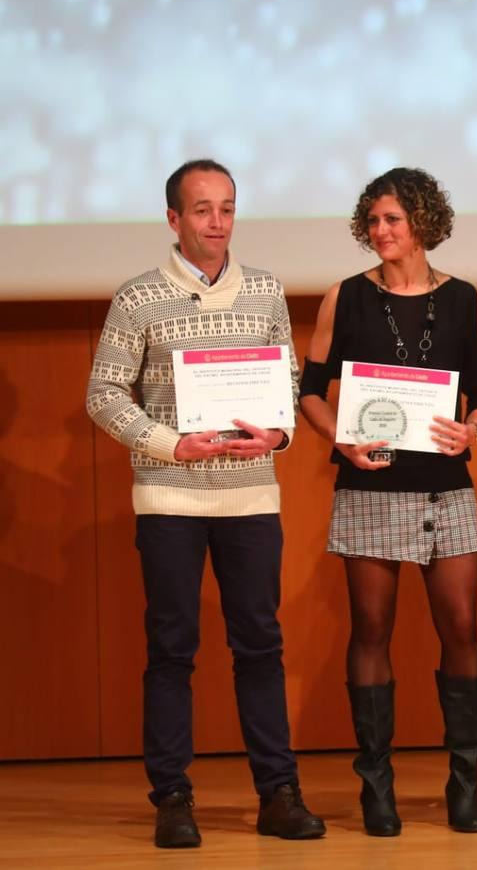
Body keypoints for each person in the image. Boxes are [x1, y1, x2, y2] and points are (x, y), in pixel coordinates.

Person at [85, 159, 325, 848]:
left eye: (226, 208)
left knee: (260, 645)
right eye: (201, 210)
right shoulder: (137, 299)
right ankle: (173, 797)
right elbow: (103, 394)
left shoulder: (266, 291)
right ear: (173, 218)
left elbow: (286, 378)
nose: (216, 223)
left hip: (250, 498)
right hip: (170, 497)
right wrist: (168, 444)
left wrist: (277, 433)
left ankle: (278, 794)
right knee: (172, 649)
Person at [298, 167, 477, 836]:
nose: (380, 232)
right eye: (372, 221)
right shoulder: (343, 297)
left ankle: (465, 783)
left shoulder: (465, 297)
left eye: (393, 220)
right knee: (371, 632)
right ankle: (375, 787)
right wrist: (341, 440)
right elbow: (311, 390)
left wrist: (471, 427)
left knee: (461, 629)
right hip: (369, 482)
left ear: (423, 224)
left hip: (447, 484)